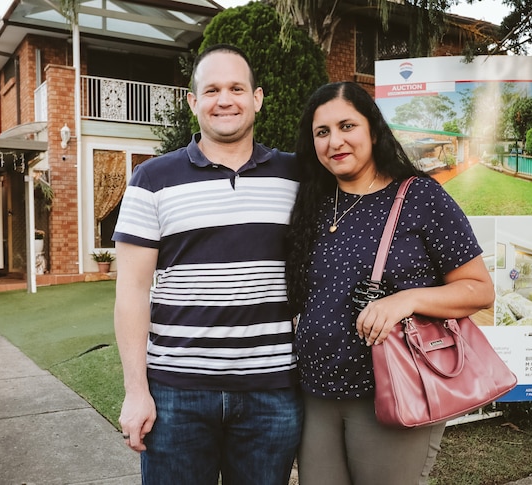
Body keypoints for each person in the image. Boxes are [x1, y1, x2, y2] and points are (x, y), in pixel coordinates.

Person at [285, 81, 496, 484]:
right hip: (316, 395)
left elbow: (479, 289)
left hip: (391, 391)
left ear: (374, 131)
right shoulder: (312, 204)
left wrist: (406, 300)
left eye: (348, 126)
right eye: (322, 132)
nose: (335, 141)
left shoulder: (421, 197)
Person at [112, 44, 302, 485]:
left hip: (270, 392)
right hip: (177, 394)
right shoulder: (152, 180)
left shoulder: (296, 177)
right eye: (212, 89)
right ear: (193, 101)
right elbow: (132, 292)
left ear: (257, 98)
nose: (225, 99)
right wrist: (136, 391)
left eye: (237, 88)